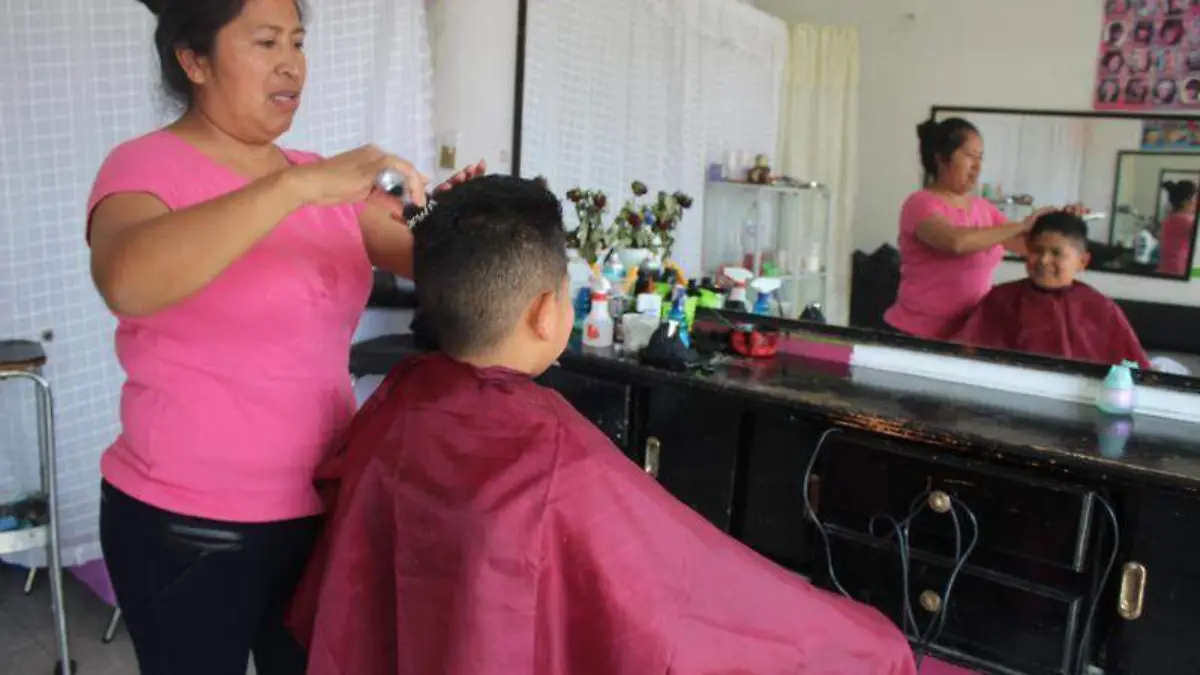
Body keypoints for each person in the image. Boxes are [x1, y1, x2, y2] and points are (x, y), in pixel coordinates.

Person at [288, 175, 919, 675]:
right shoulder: (559, 460)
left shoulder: (402, 399)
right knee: (869, 643)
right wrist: (870, 644)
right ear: (546, 312)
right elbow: (680, 615)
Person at [88, 1, 483, 674]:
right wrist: (293, 187)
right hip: (185, 524)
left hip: (322, 508)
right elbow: (127, 279)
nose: (291, 65)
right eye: (266, 42)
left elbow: (438, 262)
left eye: (297, 43)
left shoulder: (321, 179)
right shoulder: (143, 167)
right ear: (194, 61)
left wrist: (460, 221)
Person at [883, 118, 1056, 340]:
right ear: (942, 158)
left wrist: (1063, 220)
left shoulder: (983, 208)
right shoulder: (920, 203)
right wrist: (1022, 225)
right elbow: (956, 242)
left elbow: (1026, 245)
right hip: (915, 334)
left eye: (980, 158)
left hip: (967, 334)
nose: (977, 167)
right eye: (970, 156)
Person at [950, 211, 1151, 369]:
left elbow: (1135, 375)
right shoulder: (1000, 299)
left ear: (1082, 261)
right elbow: (964, 359)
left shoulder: (1101, 310)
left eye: (1056, 253)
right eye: (1037, 251)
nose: (1044, 260)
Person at [1157, 179, 1198, 275]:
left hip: (1167, 269)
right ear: (1186, 202)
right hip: (1178, 271)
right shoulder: (1185, 221)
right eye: (1195, 199)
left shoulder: (1171, 218)